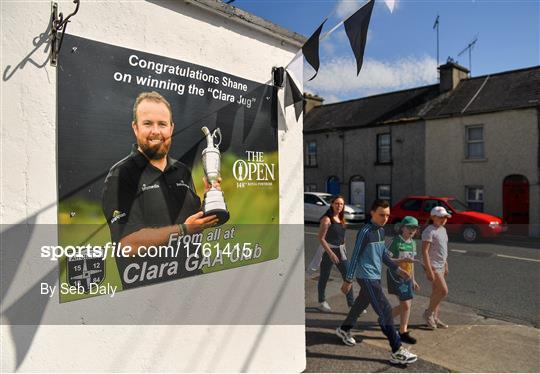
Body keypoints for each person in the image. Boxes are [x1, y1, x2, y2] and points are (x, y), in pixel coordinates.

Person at [102, 91, 218, 256]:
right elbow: (127, 245)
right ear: (135, 128)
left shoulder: (182, 171)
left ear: (171, 128)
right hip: (150, 281)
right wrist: (184, 230)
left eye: (162, 124)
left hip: (195, 277)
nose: (156, 131)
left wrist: (210, 198)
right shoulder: (121, 175)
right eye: (148, 123)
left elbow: (193, 222)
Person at [335, 199, 418, 365]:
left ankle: (344, 329)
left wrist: (397, 269)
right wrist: (348, 279)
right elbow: (356, 254)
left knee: (360, 304)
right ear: (372, 213)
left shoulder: (380, 230)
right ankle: (397, 351)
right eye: (382, 215)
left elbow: (383, 254)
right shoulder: (365, 231)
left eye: (387, 215)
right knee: (385, 310)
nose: (385, 218)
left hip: (374, 275)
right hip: (366, 276)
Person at [316, 195, 354, 312]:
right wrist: (331, 253)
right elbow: (321, 238)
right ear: (332, 204)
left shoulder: (342, 219)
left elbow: (342, 236)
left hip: (341, 251)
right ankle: (322, 302)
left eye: (341, 204)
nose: (339, 206)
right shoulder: (327, 219)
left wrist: (345, 248)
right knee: (324, 276)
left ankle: (351, 305)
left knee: (348, 276)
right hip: (329, 251)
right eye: (337, 203)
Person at [386, 216, 420, 344]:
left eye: (414, 228)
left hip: (407, 278)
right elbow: (387, 260)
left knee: (406, 305)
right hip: (396, 276)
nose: (412, 230)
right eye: (409, 227)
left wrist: (413, 280)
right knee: (405, 304)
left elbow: (411, 264)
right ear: (402, 228)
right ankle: (401, 331)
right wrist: (402, 261)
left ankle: (396, 326)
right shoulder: (396, 241)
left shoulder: (413, 243)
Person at [421, 206, 451, 329]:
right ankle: (428, 313)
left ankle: (435, 317)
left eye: (445, 217)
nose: (443, 219)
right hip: (433, 266)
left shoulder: (443, 230)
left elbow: (443, 249)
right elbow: (425, 251)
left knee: (436, 292)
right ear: (433, 217)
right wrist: (429, 270)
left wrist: (446, 264)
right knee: (443, 291)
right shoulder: (429, 231)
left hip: (441, 265)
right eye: (440, 217)